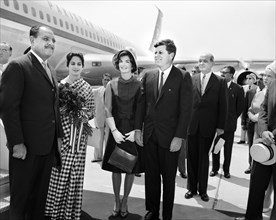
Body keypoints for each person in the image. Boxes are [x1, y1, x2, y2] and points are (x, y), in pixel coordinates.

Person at [0, 25, 63, 220]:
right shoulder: (18, 66)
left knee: (39, 200)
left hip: (46, 147)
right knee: (21, 202)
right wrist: (17, 142)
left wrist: (58, 136)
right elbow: (8, 108)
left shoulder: (51, 70)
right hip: (25, 149)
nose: (50, 44)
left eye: (53, 41)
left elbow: (54, 107)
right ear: (32, 40)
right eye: (46, 39)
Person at [135, 39, 193, 220]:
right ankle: (152, 210)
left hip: (170, 139)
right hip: (150, 136)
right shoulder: (148, 75)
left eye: (161, 52)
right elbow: (141, 105)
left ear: (171, 55)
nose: (156, 55)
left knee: (168, 180)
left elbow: (186, 110)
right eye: (156, 52)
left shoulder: (183, 77)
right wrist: (138, 129)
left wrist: (179, 137)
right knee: (151, 177)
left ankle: (167, 214)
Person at [45, 52, 94, 220]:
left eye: (79, 64)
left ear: (82, 66)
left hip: (80, 138)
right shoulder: (60, 86)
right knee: (59, 173)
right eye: (72, 63)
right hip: (63, 136)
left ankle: (70, 212)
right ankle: (54, 211)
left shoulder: (87, 87)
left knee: (75, 175)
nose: (75, 66)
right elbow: (55, 112)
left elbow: (92, 111)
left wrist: (82, 114)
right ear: (68, 65)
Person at [101, 48, 144, 218]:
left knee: (130, 169)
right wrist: (114, 131)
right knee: (116, 168)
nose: (123, 64)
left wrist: (137, 131)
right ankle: (116, 200)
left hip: (133, 131)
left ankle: (125, 199)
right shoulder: (112, 84)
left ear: (132, 64)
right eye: (121, 61)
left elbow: (143, 110)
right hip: (116, 130)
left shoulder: (140, 85)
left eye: (127, 61)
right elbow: (107, 108)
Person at [235, 61, 276, 220]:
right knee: (256, 186)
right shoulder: (270, 88)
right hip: (264, 145)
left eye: (269, 75)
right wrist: (263, 130)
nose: (265, 78)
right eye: (264, 75)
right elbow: (263, 110)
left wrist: (272, 134)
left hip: (272, 140)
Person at [185, 53, 228, 202]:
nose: (201, 63)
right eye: (200, 61)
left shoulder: (220, 81)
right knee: (191, 158)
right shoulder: (192, 79)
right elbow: (186, 104)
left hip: (208, 127)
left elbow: (223, 106)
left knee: (203, 159)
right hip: (192, 126)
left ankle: (202, 190)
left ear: (212, 63)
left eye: (205, 61)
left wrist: (220, 127)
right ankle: (191, 188)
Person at [210, 66, 245, 178]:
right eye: (221, 72)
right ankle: (215, 169)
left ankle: (226, 170)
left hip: (229, 126)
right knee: (216, 148)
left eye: (224, 72)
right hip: (216, 125)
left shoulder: (238, 89)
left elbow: (239, 107)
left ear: (231, 74)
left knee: (227, 150)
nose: (222, 74)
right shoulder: (217, 86)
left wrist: (231, 118)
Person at [242, 72, 263, 174]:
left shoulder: (267, 92)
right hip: (251, 123)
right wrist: (244, 122)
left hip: (263, 125)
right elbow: (246, 108)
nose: (261, 81)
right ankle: (251, 165)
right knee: (251, 145)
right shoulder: (250, 92)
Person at [90, 73, 112, 162]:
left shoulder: (114, 92)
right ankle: (98, 157)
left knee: (108, 139)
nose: (106, 81)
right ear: (102, 80)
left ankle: (107, 158)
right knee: (98, 139)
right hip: (99, 118)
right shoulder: (97, 91)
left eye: (108, 79)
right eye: (105, 79)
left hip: (110, 120)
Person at [238, 72, 258, 145]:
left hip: (252, 109)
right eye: (247, 79)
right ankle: (242, 139)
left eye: (250, 78)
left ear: (254, 80)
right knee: (243, 123)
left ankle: (248, 139)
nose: (248, 80)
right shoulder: (244, 87)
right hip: (244, 107)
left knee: (250, 124)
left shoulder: (256, 89)